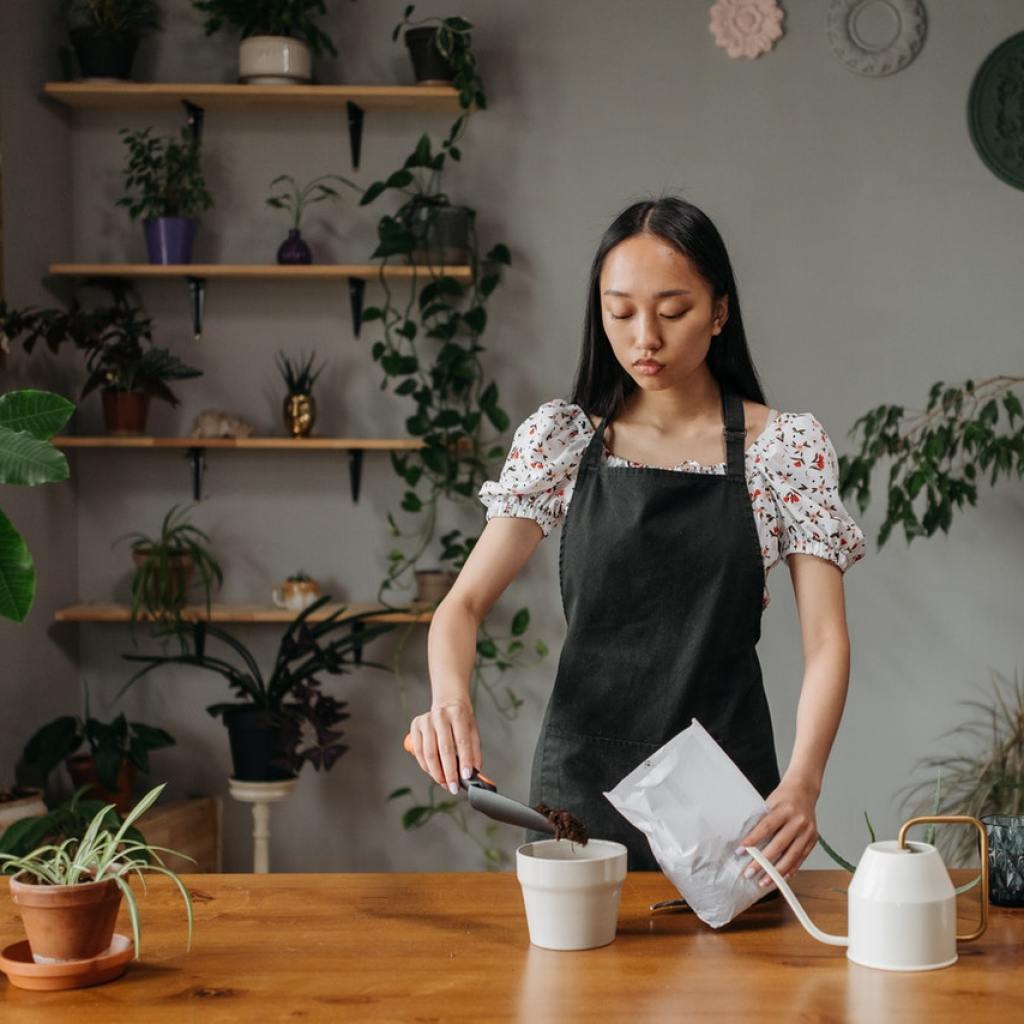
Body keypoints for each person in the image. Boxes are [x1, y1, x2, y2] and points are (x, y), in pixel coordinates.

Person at [407, 196, 865, 882]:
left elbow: (826, 640)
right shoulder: (564, 441)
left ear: (719, 311)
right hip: (581, 791)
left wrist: (803, 781)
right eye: (620, 313)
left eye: (672, 312)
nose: (644, 337)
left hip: (727, 801)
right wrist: (448, 699)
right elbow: (462, 605)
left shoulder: (783, 448)